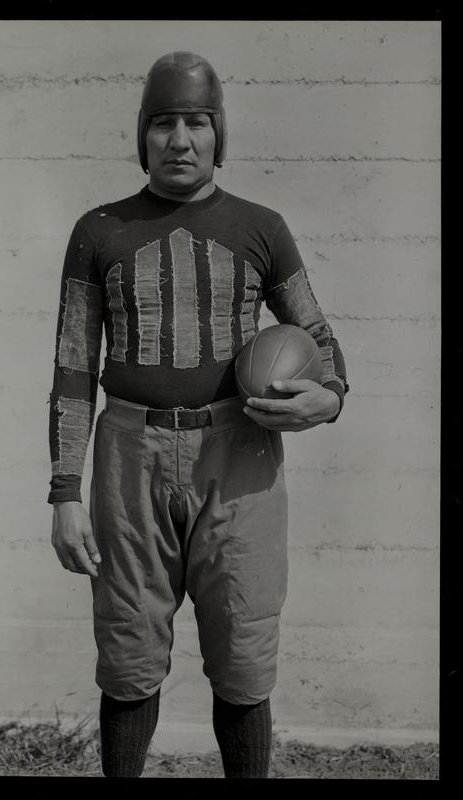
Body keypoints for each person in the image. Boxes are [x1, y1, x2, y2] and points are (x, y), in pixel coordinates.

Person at [48, 51, 348, 779]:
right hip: (129, 455)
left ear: (219, 134)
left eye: (197, 122)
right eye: (163, 123)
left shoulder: (262, 227)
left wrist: (330, 396)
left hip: (238, 456)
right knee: (128, 654)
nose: (179, 140)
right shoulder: (98, 231)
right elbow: (72, 365)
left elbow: (317, 334)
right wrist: (64, 492)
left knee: (243, 652)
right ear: (142, 134)